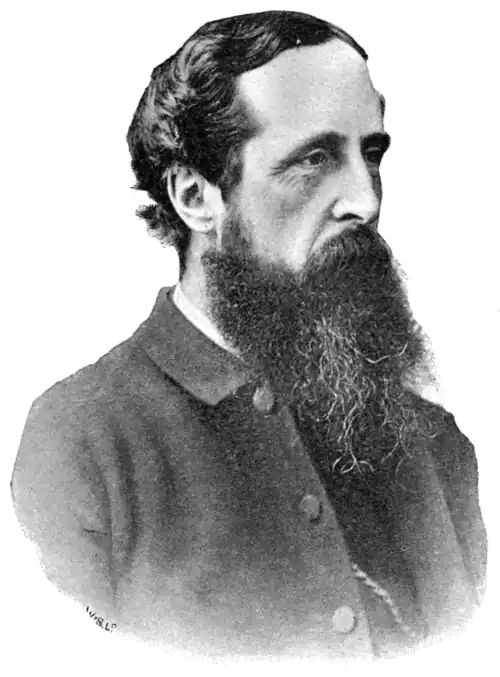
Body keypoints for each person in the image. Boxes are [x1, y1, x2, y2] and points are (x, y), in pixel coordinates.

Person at [11, 10, 486, 660]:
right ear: (194, 196)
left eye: (371, 156)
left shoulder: (434, 444)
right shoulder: (80, 444)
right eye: (314, 159)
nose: (366, 201)